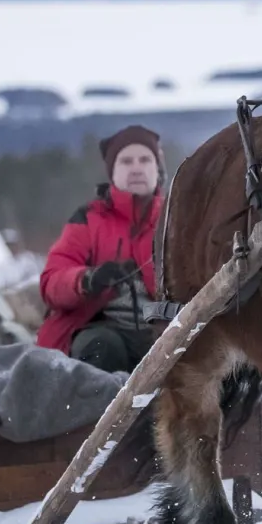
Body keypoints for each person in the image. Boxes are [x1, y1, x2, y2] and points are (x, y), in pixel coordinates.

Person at [35, 125, 164, 373]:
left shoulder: (176, 218)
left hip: (164, 329)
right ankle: (93, 412)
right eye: (126, 161)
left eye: (145, 159)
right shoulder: (89, 219)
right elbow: (51, 283)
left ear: (157, 169)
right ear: (112, 172)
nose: (136, 167)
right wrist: (87, 279)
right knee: (101, 347)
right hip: (103, 328)